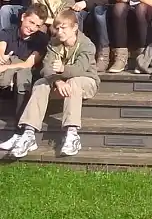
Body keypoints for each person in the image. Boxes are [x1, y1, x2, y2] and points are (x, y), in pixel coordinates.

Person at [9, 9, 99, 158]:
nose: (59, 31)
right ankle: (29, 133)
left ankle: (72, 134)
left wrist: (63, 70)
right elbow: (46, 68)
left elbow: (80, 69)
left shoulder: (87, 45)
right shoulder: (54, 44)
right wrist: (57, 81)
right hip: (60, 82)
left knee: (73, 82)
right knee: (40, 83)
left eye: (63, 28)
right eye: (57, 28)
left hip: (86, 81)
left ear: (75, 27)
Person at [0, 5, 48, 128]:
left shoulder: (41, 39)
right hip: (7, 74)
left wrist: (7, 67)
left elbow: (28, 64)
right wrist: (2, 57)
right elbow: (1, 49)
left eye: (37, 26)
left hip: (26, 76)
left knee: (23, 74)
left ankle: (20, 124)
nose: (32, 28)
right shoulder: (9, 31)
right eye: (31, 22)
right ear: (23, 17)